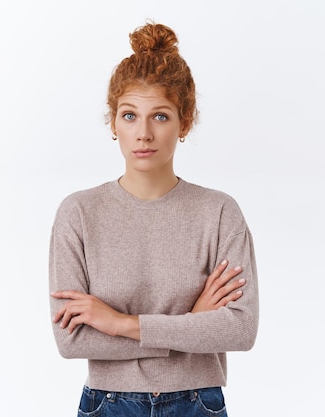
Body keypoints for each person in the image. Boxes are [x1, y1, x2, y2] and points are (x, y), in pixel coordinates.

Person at [49, 21, 258, 417]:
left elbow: (240, 329)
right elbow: (71, 341)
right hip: (107, 404)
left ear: (185, 123)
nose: (143, 133)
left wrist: (120, 323)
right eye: (130, 116)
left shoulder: (218, 212)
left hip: (198, 402)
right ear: (113, 123)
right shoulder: (78, 213)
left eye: (160, 117)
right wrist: (193, 324)